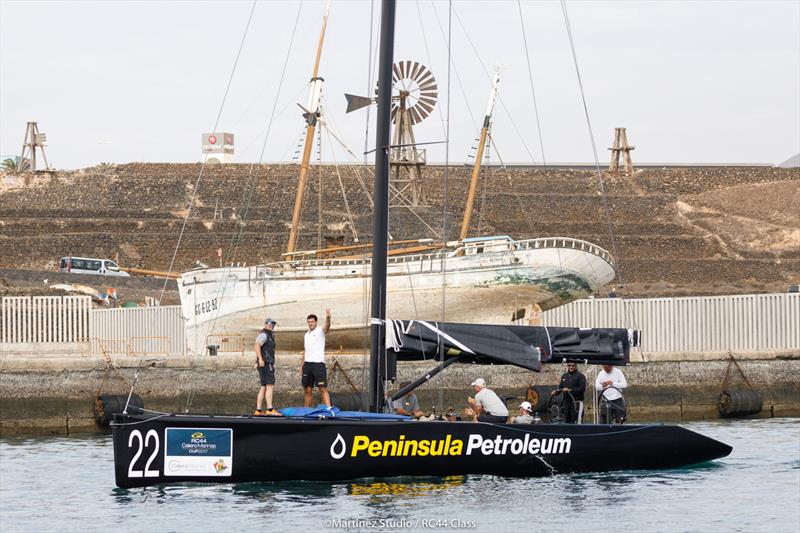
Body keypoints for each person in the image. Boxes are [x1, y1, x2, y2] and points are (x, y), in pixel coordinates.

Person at [301, 308, 332, 407]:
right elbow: (305, 350)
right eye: (309, 322)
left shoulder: (320, 331)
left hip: (318, 364)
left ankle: (329, 409)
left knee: (322, 388)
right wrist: (302, 366)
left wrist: (328, 317)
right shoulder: (306, 335)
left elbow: (327, 327)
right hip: (307, 364)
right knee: (307, 389)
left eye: (312, 322)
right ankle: (306, 410)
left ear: (316, 322)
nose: (310, 323)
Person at [254, 318, 280, 416]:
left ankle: (258, 410)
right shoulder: (264, 335)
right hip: (266, 363)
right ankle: (270, 409)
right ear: (265, 324)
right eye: (269, 323)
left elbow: (262, 348)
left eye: (273, 324)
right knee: (270, 386)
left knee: (263, 386)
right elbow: (257, 345)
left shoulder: (270, 335)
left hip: (264, 363)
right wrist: (260, 359)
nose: (271, 325)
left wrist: (257, 360)